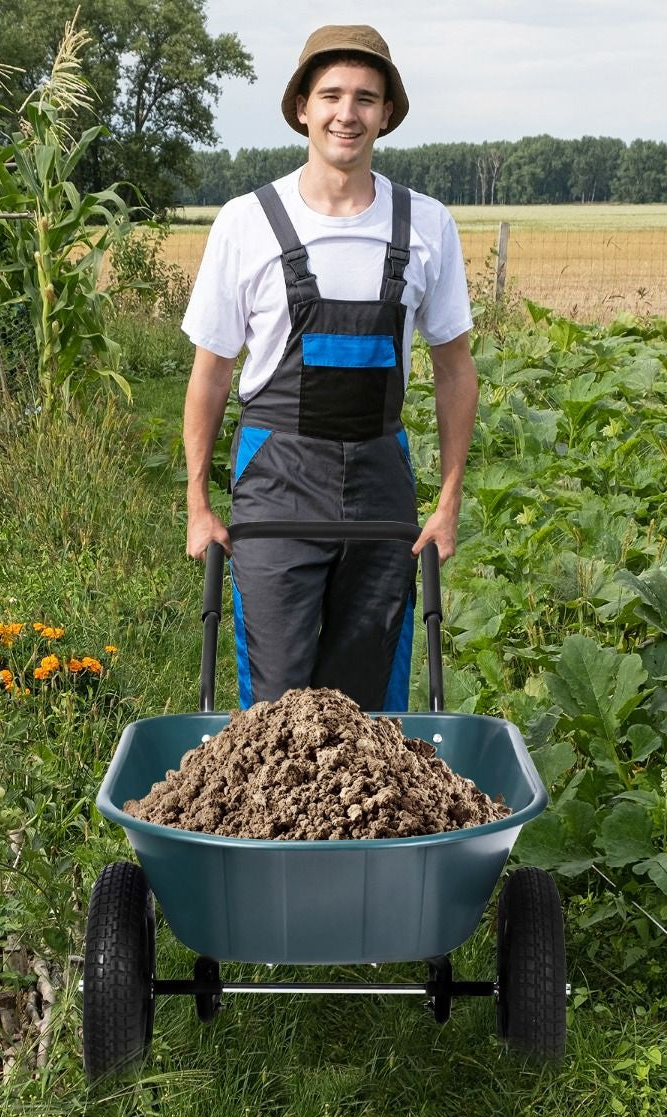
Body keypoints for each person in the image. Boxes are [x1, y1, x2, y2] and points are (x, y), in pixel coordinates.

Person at [181, 24, 478, 711]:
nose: (349, 113)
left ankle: (364, 821)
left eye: (366, 99)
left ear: (387, 114)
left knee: (366, 702)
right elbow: (211, 374)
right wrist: (199, 504)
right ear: (302, 109)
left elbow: (456, 370)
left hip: (381, 480)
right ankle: (275, 823)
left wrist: (449, 501)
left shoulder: (426, 225)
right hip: (277, 478)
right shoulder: (246, 222)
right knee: (277, 699)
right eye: (333, 95)